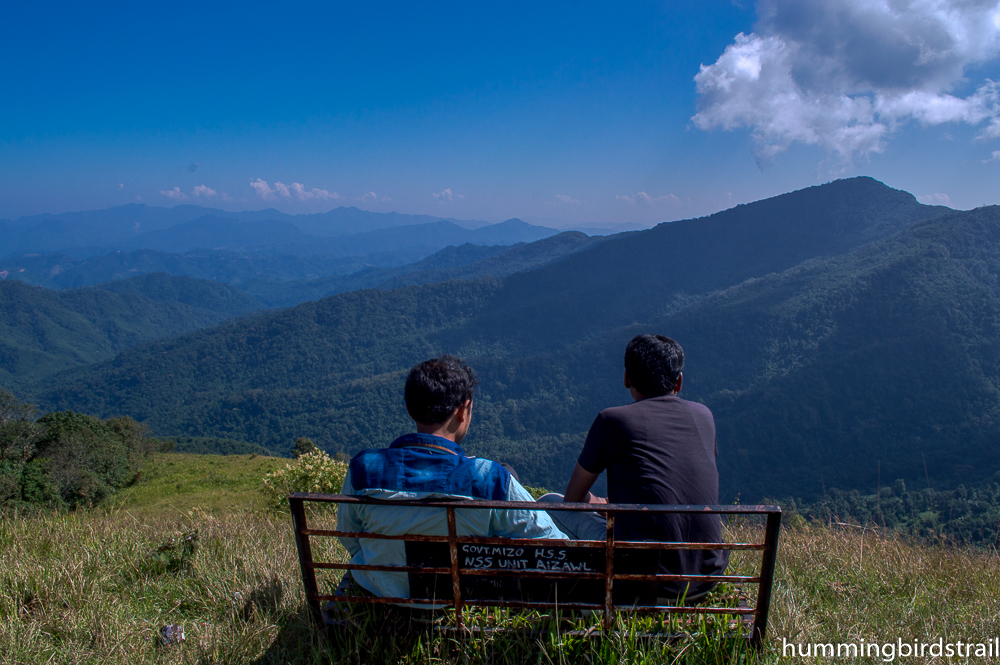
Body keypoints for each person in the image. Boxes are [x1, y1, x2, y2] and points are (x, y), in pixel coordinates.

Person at [337, 355, 567, 600]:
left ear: (409, 410)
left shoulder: (362, 469)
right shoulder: (490, 479)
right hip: (461, 599)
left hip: (379, 593)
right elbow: (553, 543)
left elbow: (349, 538)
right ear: (462, 411)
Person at [539, 334, 729, 604]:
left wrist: (601, 502)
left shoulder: (612, 421)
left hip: (645, 582)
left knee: (549, 503)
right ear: (679, 381)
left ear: (627, 378)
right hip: (707, 576)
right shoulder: (704, 416)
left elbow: (573, 500)